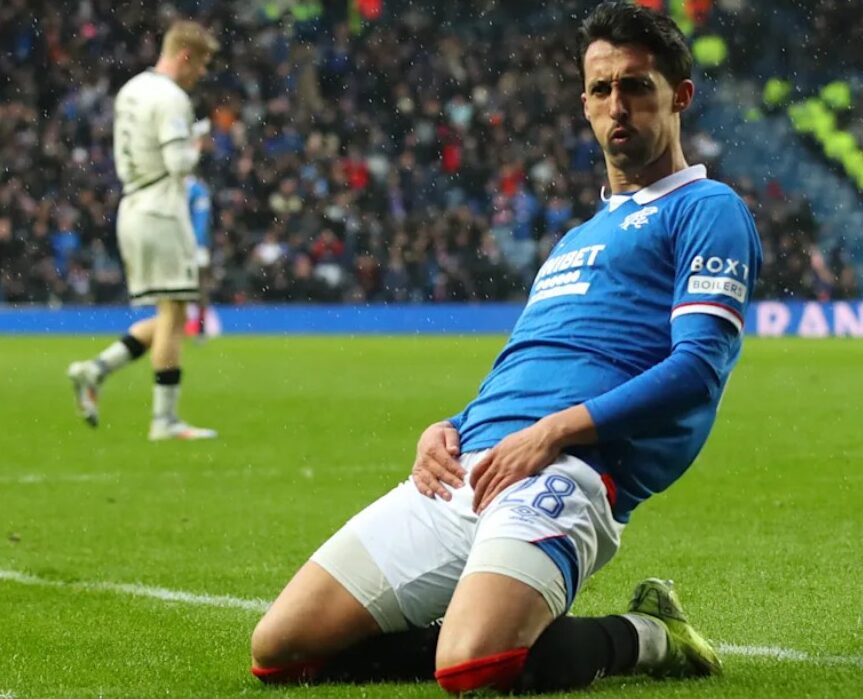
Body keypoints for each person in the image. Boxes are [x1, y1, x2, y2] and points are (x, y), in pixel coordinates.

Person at [250, 1, 762, 693]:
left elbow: (697, 370)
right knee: (280, 650)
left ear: (680, 96)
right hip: (468, 466)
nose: (620, 104)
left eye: (638, 86)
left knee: (472, 667)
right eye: (603, 88)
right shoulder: (574, 238)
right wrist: (451, 426)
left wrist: (553, 432)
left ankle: (647, 635)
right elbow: (527, 366)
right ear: (584, 103)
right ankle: (489, 608)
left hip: (567, 466)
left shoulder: (707, 210)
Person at [67, 20, 219, 441]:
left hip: (132, 204)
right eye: (201, 66)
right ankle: (164, 420)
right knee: (175, 313)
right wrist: (196, 144)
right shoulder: (172, 99)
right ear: (185, 56)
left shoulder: (132, 89)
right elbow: (177, 164)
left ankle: (95, 369)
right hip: (162, 209)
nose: (200, 76)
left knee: (171, 313)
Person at [186, 174, 213, 339]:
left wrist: (194, 241)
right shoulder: (173, 186)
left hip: (195, 247)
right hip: (178, 245)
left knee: (200, 287)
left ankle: (201, 327)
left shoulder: (196, 189)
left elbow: (201, 220)